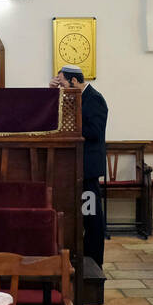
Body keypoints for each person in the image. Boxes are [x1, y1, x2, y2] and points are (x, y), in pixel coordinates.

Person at [52, 64, 107, 266]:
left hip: (88, 170)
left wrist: (73, 124)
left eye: (63, 83)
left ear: (74, 81)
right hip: (75, 168)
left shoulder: (95, 99)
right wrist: (52, 92)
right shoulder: (74, 98)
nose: (63, 88)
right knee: (80, 215)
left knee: (91, 215)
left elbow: (94, 132)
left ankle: (94, 261)